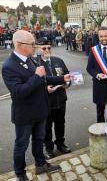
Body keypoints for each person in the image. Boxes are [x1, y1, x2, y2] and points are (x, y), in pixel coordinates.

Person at [2, 30, 72, 181]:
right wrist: (36, 76)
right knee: (21, 144)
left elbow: (44, 79)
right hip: (25, 114)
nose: (36, 46)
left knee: (39, 140)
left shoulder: (30, 59)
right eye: (32, 44)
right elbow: (19, 92)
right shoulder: (9, 66)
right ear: (19, 45)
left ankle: (40, 164)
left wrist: (61, 78)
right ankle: (20, 173)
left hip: (40, 110)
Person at [37, 42, 71, 159]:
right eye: (44, 48)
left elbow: (67, 75)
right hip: (46, 101)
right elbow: (35, 82)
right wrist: (45, 89)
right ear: (38, 48)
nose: (47, 50)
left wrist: (68, 83)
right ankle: (48, 148)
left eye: (49, 48)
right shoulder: (36, 63)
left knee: (60, 123)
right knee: (46, 126)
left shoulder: (58, 60)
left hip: (61, 99)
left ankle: (60, 144)